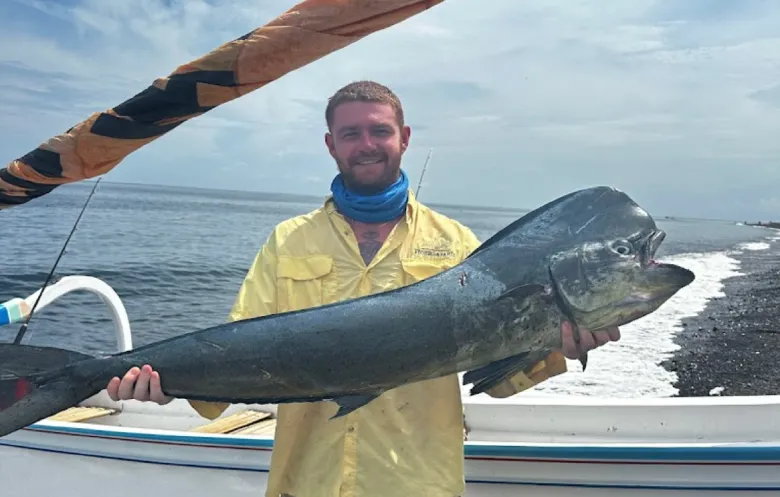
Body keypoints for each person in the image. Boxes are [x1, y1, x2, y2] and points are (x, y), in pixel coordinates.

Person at [107, 80, 621, 497]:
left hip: (417, 483)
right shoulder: (288, 240)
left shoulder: (457, 243)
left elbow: (495, 376)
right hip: (308, 481)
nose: (367, 145)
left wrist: (557, 346)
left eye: (380, 131)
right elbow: (240, 343)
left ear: (404, 138)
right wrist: (162, 381)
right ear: (331, 144)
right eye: (350, 134)